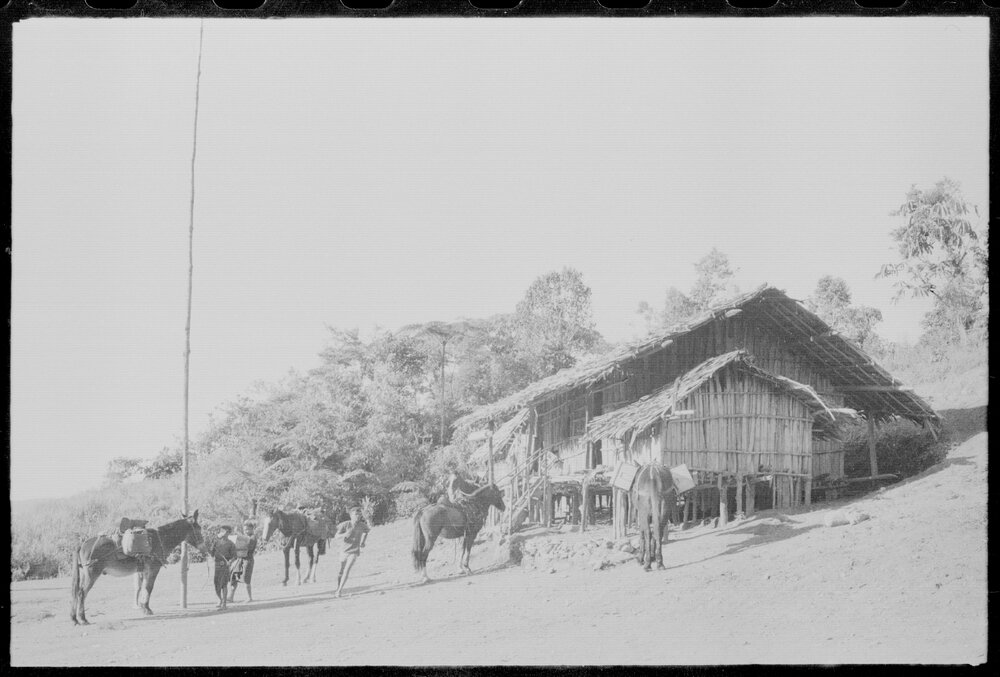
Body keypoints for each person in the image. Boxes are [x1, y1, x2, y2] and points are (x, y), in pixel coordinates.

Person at [333, 507, 369, 598]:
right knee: (341, 571)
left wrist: (363, 542)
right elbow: (336, 536)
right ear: (351, 515)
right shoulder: (345, 524)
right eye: (356, 514)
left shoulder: (362, 525)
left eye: (359, 514)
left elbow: (366, 531)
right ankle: (338, 587)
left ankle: (340, 590)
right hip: (344, 550)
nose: (358, 516)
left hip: (354, 551)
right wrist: (344, 535)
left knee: (347, 569)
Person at [228, 520, 258, 604]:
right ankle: (231, 597)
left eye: (248, 529)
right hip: (240, 559)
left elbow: (248, 544)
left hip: (248, 560)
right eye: (245, 530)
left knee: (246, 578)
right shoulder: (244, 537)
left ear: (252, 529)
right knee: (233, 577)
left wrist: (238, 535)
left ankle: (249, 597)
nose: (246, 531)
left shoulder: (253, 537)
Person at [210, 525, 238, 610]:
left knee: (224, 584)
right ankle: (220, 599)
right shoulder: (216, 542)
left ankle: (224, 604)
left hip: (225, 566)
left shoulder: (231, 544)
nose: (223, 533)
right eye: (222, 531)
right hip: (217, 565)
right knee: (216, 584)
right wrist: (211, 545)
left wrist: (230, 561)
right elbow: (211, 553)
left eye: (225, 532)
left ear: (229, 533)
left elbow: (235, 556)